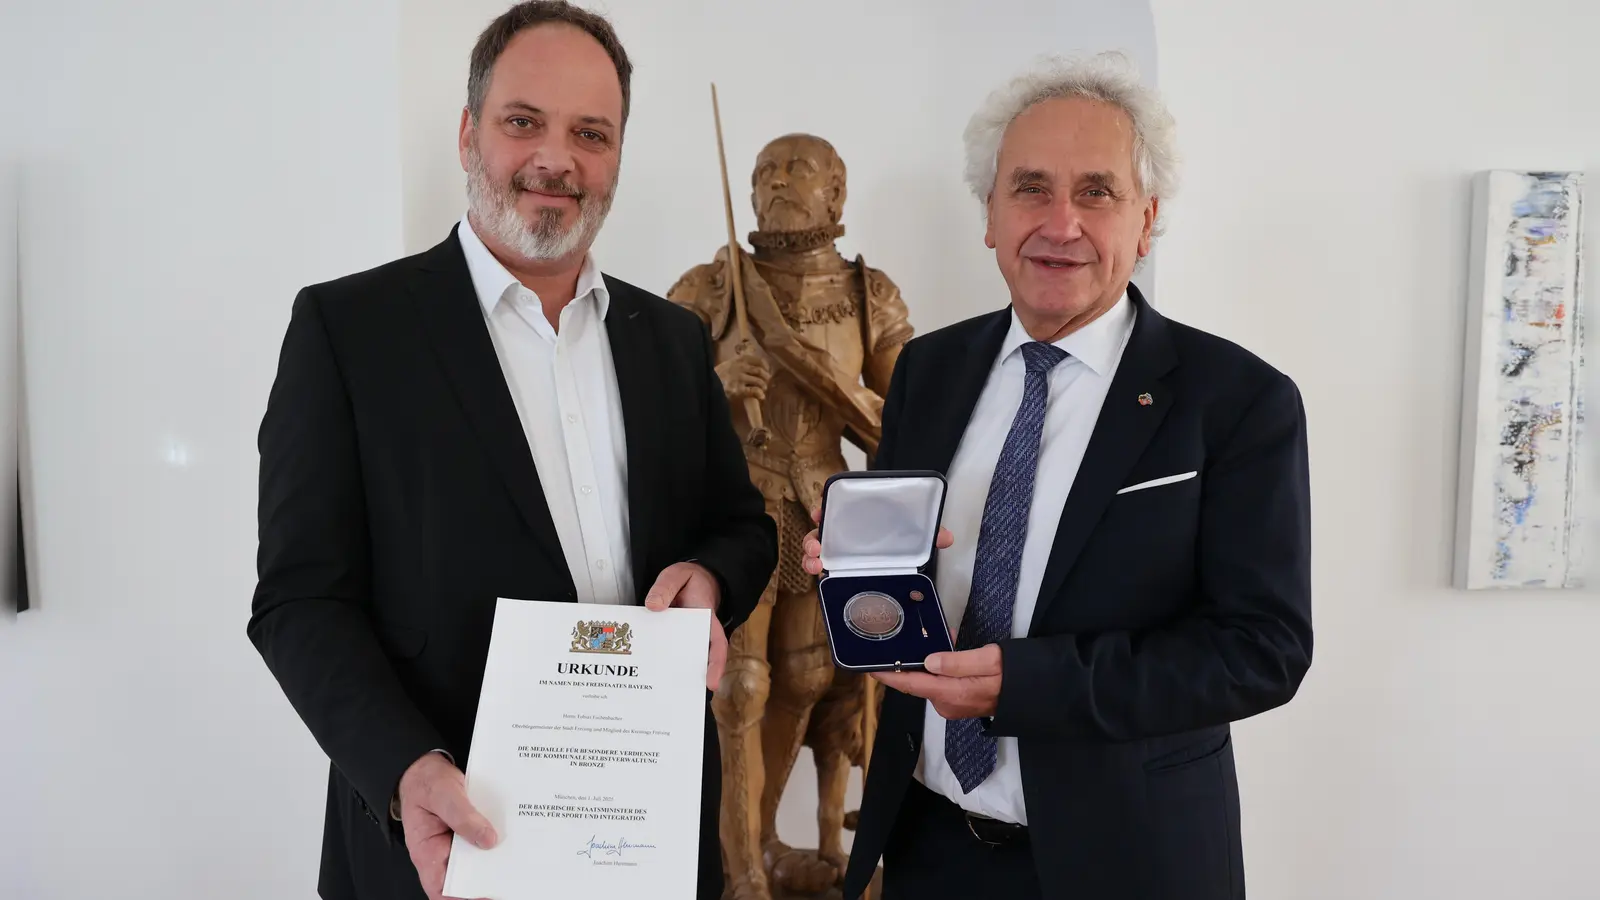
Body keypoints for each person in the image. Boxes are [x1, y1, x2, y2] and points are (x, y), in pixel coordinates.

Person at [247, 3, 776, 900]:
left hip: (648, 841)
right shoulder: (350, 331)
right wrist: (405, 769)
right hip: (443, 846)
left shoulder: (672, 338)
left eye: (591, 133)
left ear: (617, 155)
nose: (556, 159)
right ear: (468, 133)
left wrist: (712, 577)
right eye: (523, 121)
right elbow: (300, 600)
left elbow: (739, 525)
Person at [803, 52, 1313, 900]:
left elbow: (1264, 651)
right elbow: (905, 563)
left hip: (1129, 862)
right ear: (991, 217)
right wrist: (857, 565)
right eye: (1031, 188)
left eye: (1097, 192)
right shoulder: (927, 370)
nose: (1061, 222)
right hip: (929, 845)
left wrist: (1031, 685)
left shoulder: (1237, 401)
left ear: (1147, 221)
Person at [667, 133, 913, 899]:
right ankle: (736, 870)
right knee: (738, 686)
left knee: (806, 677)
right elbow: (640, 416)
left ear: (837, 193)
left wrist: (824, 377)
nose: (777, 183)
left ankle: (767, 840)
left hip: (822, 510)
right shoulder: (711, 287)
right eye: (764, 172)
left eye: (797, 169)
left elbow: (902, 425)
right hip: (733, 514)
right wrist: (711, 381)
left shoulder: (872, 296)